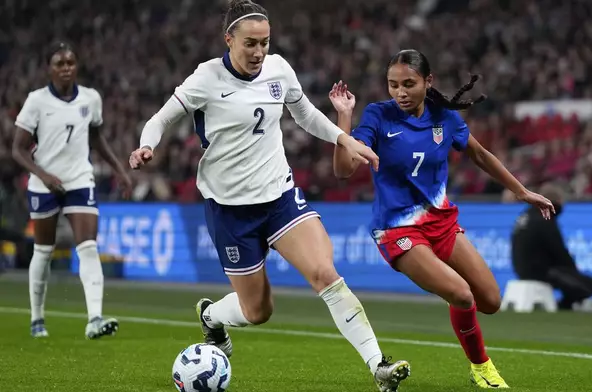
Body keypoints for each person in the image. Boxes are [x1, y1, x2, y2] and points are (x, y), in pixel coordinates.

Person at [129, 1, 409, 391]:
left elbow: (306, 114)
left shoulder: (278, 69)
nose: (259, 52)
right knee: (258, 311)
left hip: (279, 197)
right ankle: (211, 316)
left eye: (265, 42)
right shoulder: (205, 78)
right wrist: (147, 146)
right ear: (229, 40)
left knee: (324, 273)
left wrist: (345, 138)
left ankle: (378, 365)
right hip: (230, 211)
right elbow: (160, 119)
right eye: (250, 44)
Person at [330, 49, 555, 389]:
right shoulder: (378, 116)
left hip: (442, 223)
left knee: (490, 301)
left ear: (428, 81)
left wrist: (522, 192)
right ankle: (481, 367)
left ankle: (466, 331)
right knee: (462, 295)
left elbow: (479, 153)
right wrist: (344, 119)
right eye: (393, 85)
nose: (400, 92)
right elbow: (342, 170)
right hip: (397, 229)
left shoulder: (444, 118)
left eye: (408, 84)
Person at [12, 42, 133, 339]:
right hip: (44, 184)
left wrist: (120, 171)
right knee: (43, 250)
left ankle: (95, 319)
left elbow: (97, 139)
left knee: (88, 246)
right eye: (59, 63)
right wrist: (43, 174)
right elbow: (16, 149)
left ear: (76, 66)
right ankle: (37, 318)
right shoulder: (36, 101)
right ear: (49, 69)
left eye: (70, 62)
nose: (66, 68)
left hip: (79, 180)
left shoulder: (91, 99)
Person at [511, 183, 592, 310]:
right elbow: (559, 251)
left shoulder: (525, 216)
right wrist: (573, 271)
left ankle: (566, 302)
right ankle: (565, 304)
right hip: (541, 271)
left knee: (570, 278)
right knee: (591, 284)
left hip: (521, 269)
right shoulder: (545, 219)